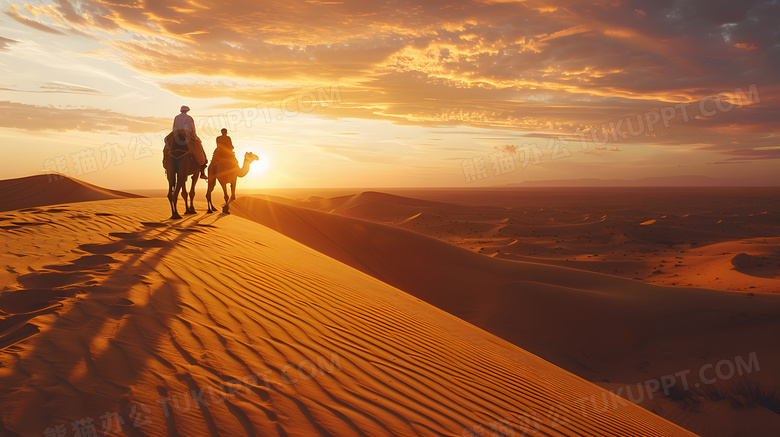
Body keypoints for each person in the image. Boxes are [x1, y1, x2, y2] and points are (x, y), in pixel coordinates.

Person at [167, 105, 208, 179]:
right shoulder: (189, 118)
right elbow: (192, 129)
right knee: (199, 148)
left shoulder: (176, 117)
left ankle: (167, 164)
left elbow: (174, 127)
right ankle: (202, 169)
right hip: (187, 135)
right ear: (187, 111)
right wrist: (195, 137)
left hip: (176, 134)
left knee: (167, 144)